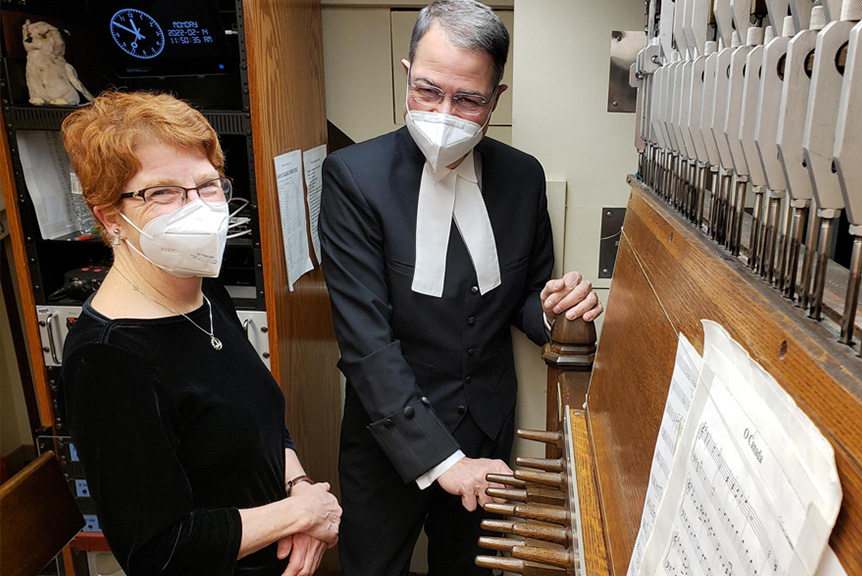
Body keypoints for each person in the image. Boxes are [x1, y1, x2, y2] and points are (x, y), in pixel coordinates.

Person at [318, 1, 603, 574]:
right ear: (406, 75)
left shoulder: (523, 177)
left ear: (497, 99)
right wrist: (441, 460)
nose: (444, 112)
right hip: (387, 433)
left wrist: (556, 312)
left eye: (468, 99)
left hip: (485, 427)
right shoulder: (353, 177)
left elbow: (525, 297)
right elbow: (366, 343)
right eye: (427, 90)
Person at [59, 91, 341, 576]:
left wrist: (300, 489)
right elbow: (158, 551)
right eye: (162, 191)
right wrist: (302, 514)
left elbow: (260, 421)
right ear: (109, 217)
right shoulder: (108, 359)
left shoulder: (204, 293)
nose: (198, 208)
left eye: (208, 185)